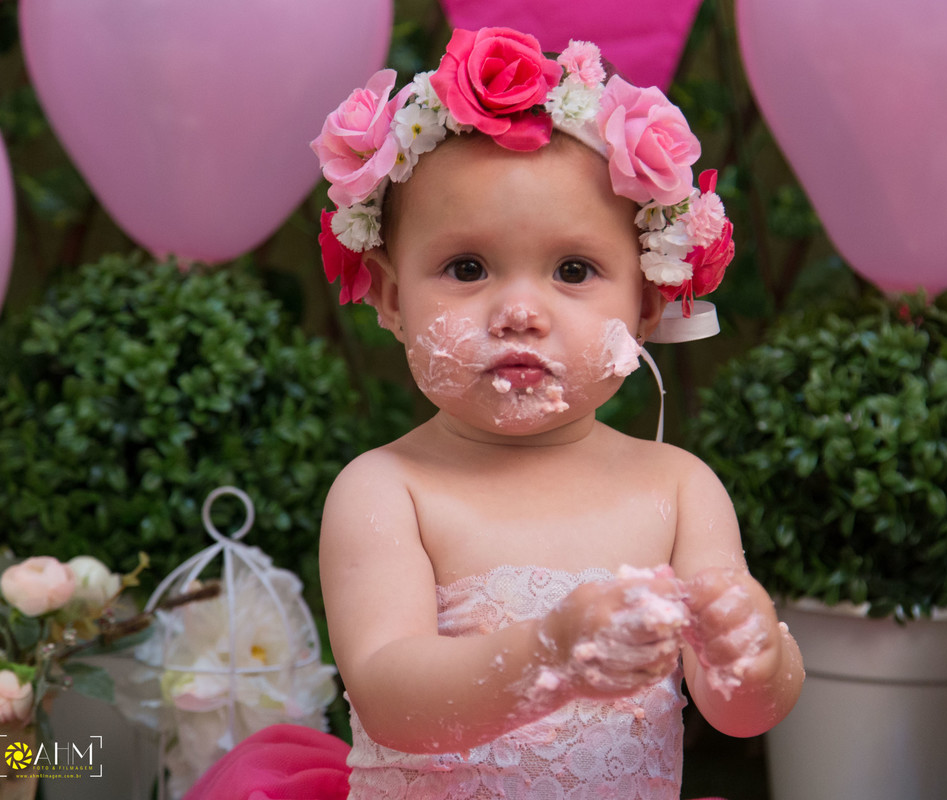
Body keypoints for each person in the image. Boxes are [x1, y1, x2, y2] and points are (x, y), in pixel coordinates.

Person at [187, 25, 802, 800]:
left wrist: (754, 657)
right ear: (391, 297)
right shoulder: (386, 491)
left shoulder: (677, 487)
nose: (518, 312)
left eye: (572, 269)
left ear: (647, 304)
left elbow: (740, 714)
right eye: (467, 267)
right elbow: (390, 696)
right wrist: (549, 655)